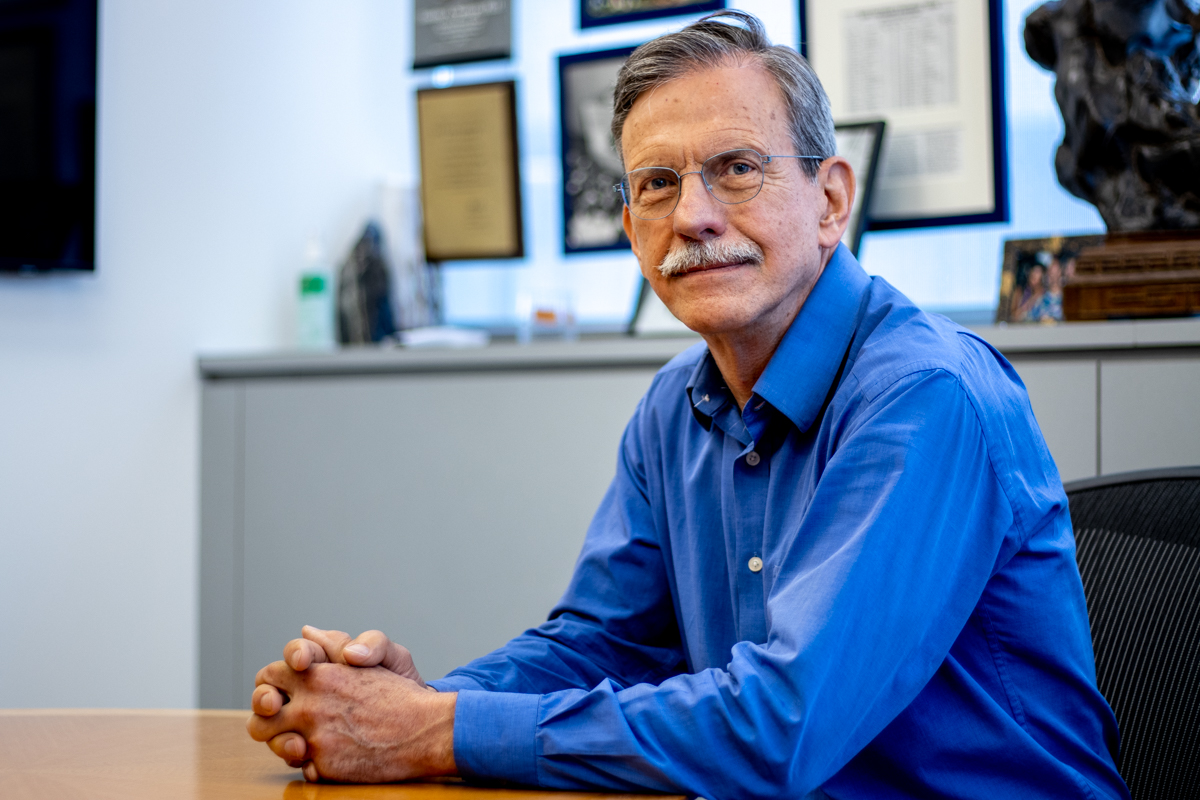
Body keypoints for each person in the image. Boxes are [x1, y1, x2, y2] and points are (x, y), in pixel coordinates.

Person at [247, 12, 1130, 799]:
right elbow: (602, 644)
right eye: (658, 185)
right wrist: (418, 700)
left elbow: (782, 723)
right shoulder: (676, 406)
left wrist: (431, 733)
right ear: (631, 228)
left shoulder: (924, 396)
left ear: (830, 201)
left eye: (736, 169)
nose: (693, 215)